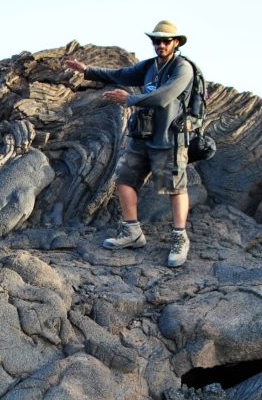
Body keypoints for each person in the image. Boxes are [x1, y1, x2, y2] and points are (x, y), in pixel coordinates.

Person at [64, 20, 194, 267]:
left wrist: (130, 99)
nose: (161, 45)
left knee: (175, 187)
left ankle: (179, 238)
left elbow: (164, 96)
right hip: (142, 135)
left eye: (166, 41)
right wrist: (87, 70)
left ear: (176, 42)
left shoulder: (182, 68)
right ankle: (132, 232)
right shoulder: (149, 67)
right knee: (124, 179)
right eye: (156, 40)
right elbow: (119, 74)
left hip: (168, 137)